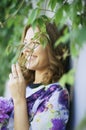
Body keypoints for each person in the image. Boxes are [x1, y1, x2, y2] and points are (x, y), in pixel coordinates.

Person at [8, 22, 70, 130]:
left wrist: (19, 101)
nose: (26, 50)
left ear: (52, 47)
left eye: (35, 43)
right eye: (25, 43)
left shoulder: (56, 95)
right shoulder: (24, 86)